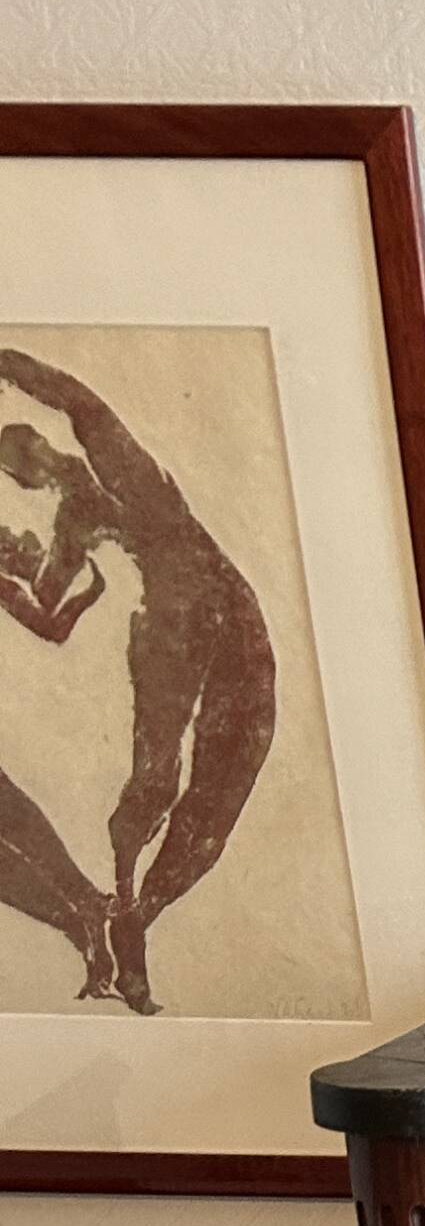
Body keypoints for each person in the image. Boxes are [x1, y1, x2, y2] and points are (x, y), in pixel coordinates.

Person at [0, 346, 276, 1012]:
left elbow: (82, 403)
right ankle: (124, 903)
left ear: (42, 446)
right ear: (22, 482)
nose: (30, 470)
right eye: (17, 471)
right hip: (171, 621)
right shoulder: (73, 524)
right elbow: (51, 620)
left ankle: (135, 916)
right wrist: (11, 573)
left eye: (27, 454)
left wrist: (10, 363)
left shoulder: (124, 473)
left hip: (222, 604)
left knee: (229, 767)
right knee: (156, 777)